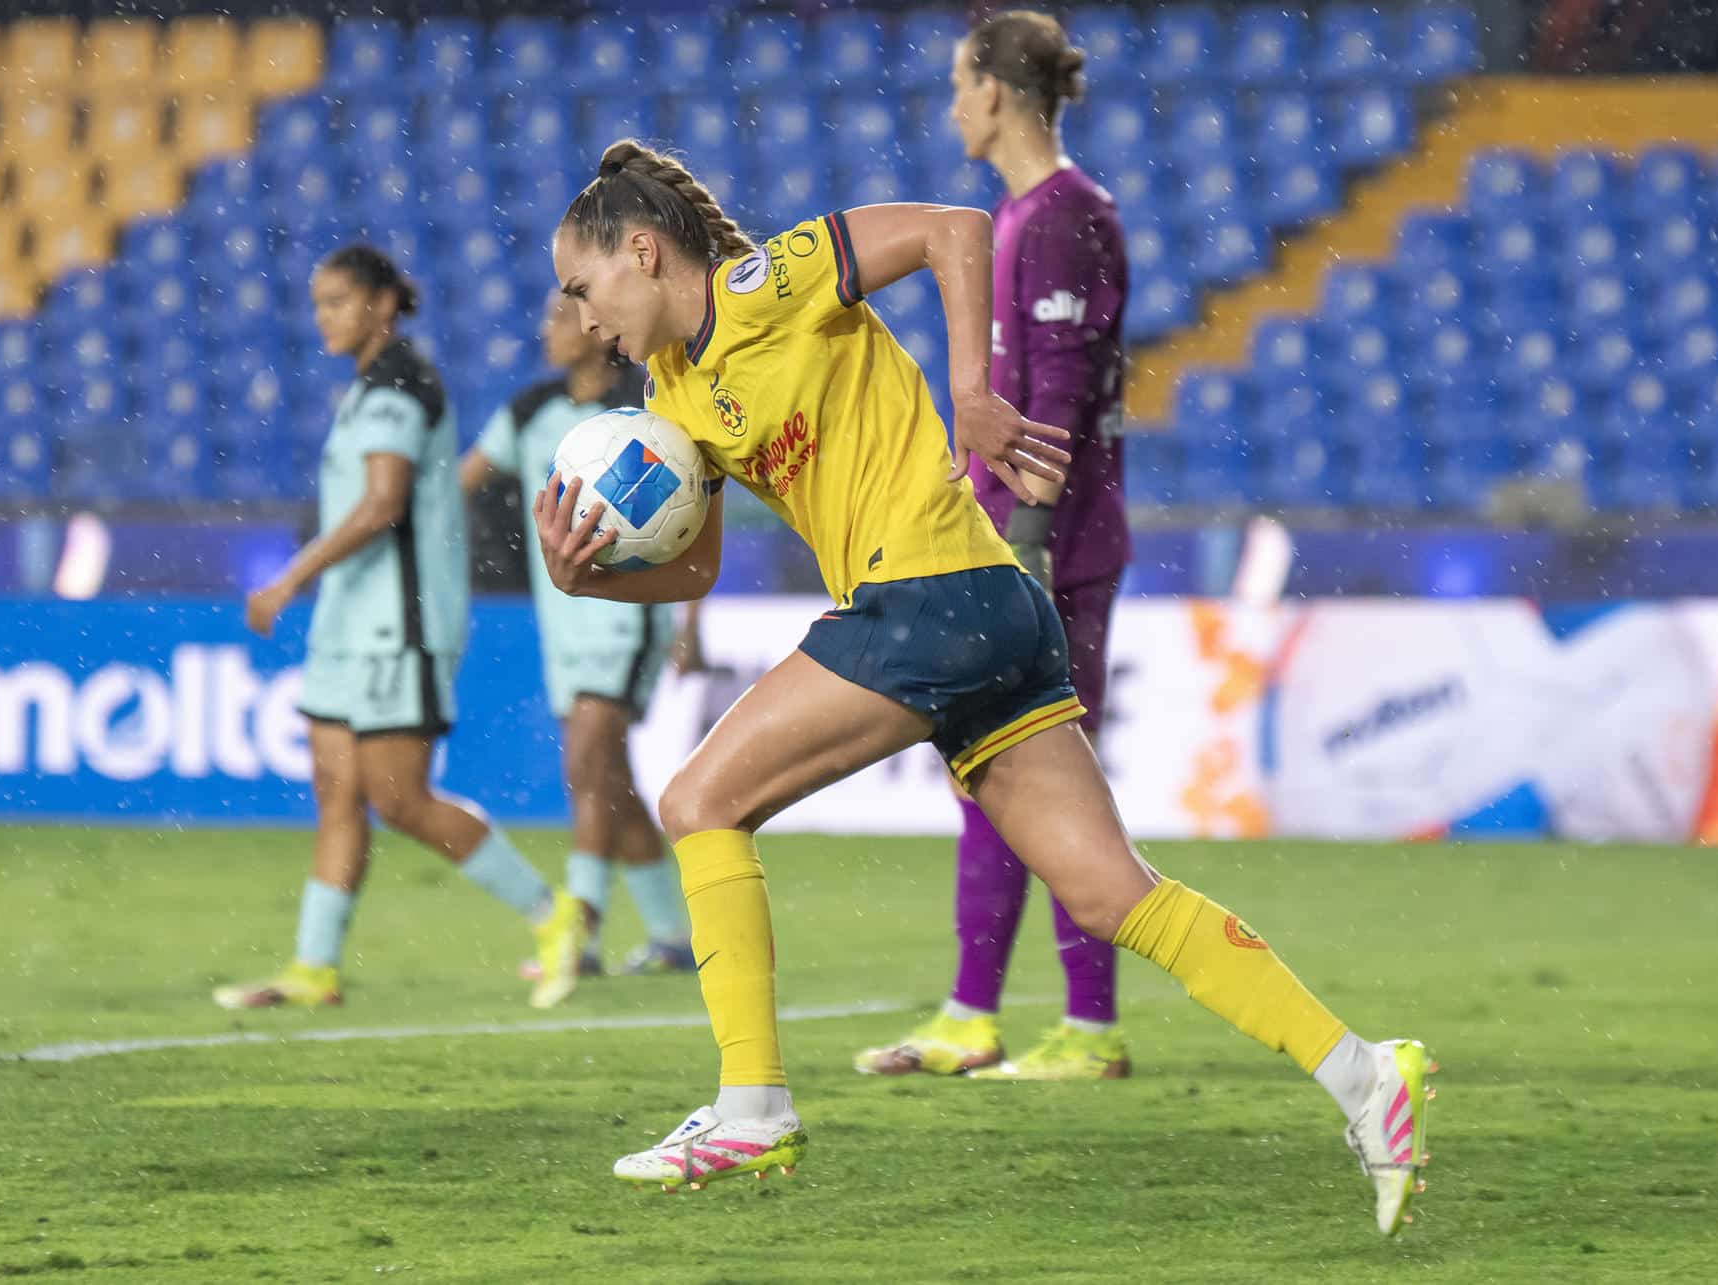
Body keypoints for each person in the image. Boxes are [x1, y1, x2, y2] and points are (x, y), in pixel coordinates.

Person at [535, 140, 1434, 1235]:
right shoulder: (675, 393)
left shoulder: (766, 281)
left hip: (926, 594)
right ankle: (1365, 1077)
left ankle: (751, 1104)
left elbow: (956, 228)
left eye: (584, 288)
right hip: (991, 611)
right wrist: (587, 579)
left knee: (697, 802)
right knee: (1112, 895)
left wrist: (973, 393)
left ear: (641, 249)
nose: (583, 320)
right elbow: (698, 566)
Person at [855, 10, 1135, 1084]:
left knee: (1049, 783)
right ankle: (975, 1014)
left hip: (1049, 553)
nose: (951, 105)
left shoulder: (1061, 217)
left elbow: (1055, 397)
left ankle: (1091, 1027)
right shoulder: (1032, 215)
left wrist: (1022, 552)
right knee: (990, 773)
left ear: (997, 95)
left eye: (959, 85)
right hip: (1022, 542)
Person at [215, 244, 584, 1013]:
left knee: (400, 798)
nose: (325, 317)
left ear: (383, 305)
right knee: (336, 790)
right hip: (350, 623)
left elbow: (384, 502)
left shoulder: (401, 386)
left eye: (340, 301)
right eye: (319, 303)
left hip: (398, 627)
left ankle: (555, 916)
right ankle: (313, 967)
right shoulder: (367, 389)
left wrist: (290, 576)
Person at [460, 289, 695, 978]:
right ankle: (672, 936)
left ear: (600, 329)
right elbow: (460, 483)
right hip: (563, 615)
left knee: (586, 766)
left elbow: (692, 510)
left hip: (627, 613)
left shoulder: (645, 410)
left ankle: (579, 934)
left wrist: (691, 617)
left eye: (561, 316)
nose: (547, 328)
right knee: (611, 781)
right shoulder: (531, 412)